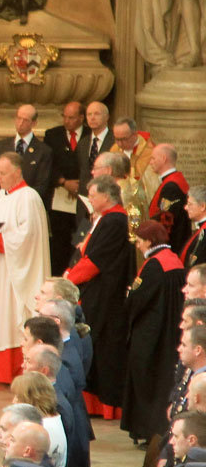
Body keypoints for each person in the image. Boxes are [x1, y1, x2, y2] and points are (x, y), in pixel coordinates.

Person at [0, 152, 51, 383]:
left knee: (14, 314)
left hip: (19, 269)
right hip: (0, 266)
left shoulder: (29, 197)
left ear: (17, 172)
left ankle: (17, 368)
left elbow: (27, 236)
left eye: (3, 173)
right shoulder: (1, 195)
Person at [66, 175, 135, 417]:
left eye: (93, 195)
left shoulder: (114, 220)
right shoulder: (107, 219)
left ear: (106, 196)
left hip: (106, 294)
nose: (90, 200)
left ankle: (103, 405)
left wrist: (67, 281)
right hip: (101, 290)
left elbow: (95, 261)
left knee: (102, 345)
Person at [123, 220, 187, 442]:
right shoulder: (175, 262)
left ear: (150, 241)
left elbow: (137, 299)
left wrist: (129, 296)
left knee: (146, 379)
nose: (138, 245)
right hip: (171, 332)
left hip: (151, 333)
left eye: (140, 241)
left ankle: (147, 429)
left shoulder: (153, 266)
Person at [45, 102, 89, 272]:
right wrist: (63, 181)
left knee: (80, 236)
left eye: (71, 117)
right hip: (60, 195)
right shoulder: (53, 135)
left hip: (83, 195)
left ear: (81, 118)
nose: (67, 121)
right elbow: (49, 164)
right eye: (65, 116)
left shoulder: (89, 134)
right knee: (60, 239)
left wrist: (80, 184)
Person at [0, 104, 53, 201]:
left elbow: (42, 184)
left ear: (34, 123)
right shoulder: (2, 146)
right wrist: (2, 197)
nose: (20, 123)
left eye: (25, 120)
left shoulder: (43, 151)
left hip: (27, 203)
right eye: (18, 118)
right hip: (3, 201)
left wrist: (21, 199)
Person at [150, 143, 193, 253]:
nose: (150, 162)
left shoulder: (171, 186)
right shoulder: (173, 181)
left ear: (163, 159)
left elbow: (166, 221)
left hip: (172, 247)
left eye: (153, 158)